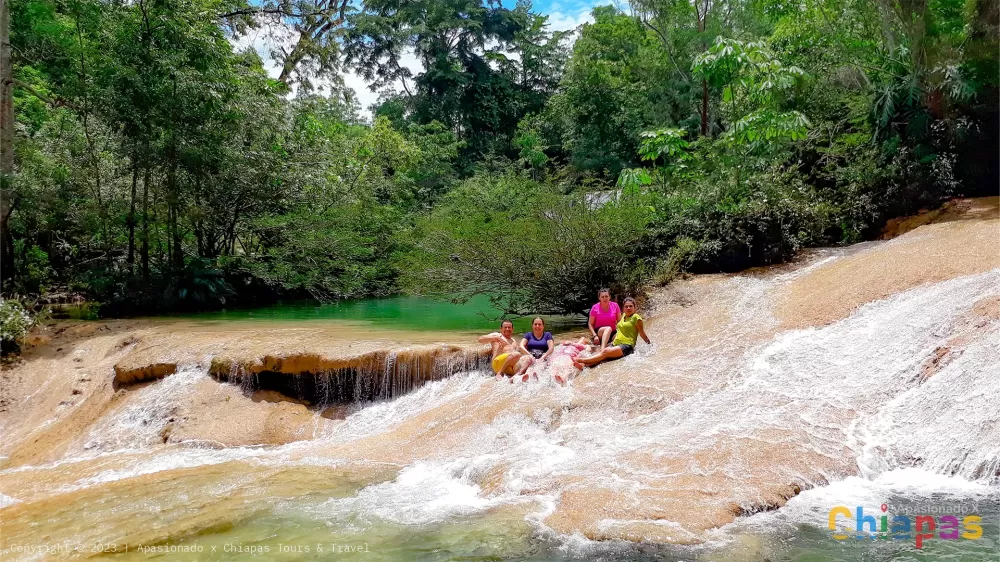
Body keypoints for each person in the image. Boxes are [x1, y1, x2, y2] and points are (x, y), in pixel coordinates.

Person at [574, 297, 650, 369]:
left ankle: (582, 360)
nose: (628, 308)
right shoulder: (623, 316)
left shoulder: (636, 318)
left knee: (605, 352)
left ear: (635, 307)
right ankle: (583, 366)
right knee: (603, 356)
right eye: (626, 306)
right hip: (616, 343)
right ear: (623, 308)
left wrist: (649, 344)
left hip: (627, 346)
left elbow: (642, 333)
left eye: (631, 306)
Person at [516, 317, 555, 382]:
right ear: (532, 325)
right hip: (531, 355)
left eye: (539, 324)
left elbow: (551, 348)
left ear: (543, 326)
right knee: (529, 364)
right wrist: (530, 356)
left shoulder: (547, 335)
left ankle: (534, 375)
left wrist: (543, 357)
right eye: (535, 324)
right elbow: (521, 346)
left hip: (543, 355)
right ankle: (526, 375)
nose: (537, 326)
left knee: (541, 364)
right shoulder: (528, 335)